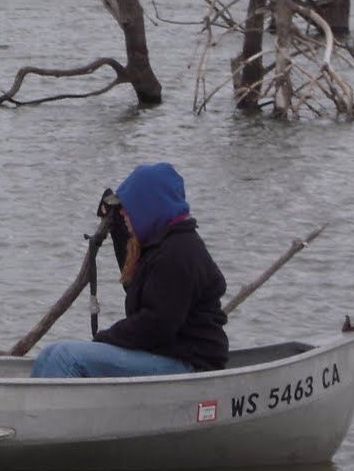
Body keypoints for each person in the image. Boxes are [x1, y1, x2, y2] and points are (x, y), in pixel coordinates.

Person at [31, 162, 228, 379]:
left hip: (189, 365)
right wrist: (116, 224)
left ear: (149, 206)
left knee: (65, 357)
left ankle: (48, 413)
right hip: (166, 353)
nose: (124, 211)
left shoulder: (179, 253)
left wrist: (104, 340)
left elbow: (156, 326)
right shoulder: (162, 245)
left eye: (128, 206)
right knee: (51, 353)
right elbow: (135, 284)